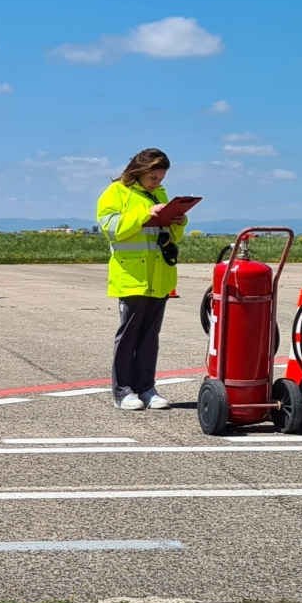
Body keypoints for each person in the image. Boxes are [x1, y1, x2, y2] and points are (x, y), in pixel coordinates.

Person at [95, 148, 187, 410]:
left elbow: (173, 236)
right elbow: (112, 229)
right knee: (128, 336)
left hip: (159, 276)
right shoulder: (115, 193)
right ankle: (123, 391)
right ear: (140, 170)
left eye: (160, 178)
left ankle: (147, 388)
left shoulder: (160, 194)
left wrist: (178, 220)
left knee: (150, 336)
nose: (158, 183)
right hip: (132, 275)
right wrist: (146, 215)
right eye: (153, 178)